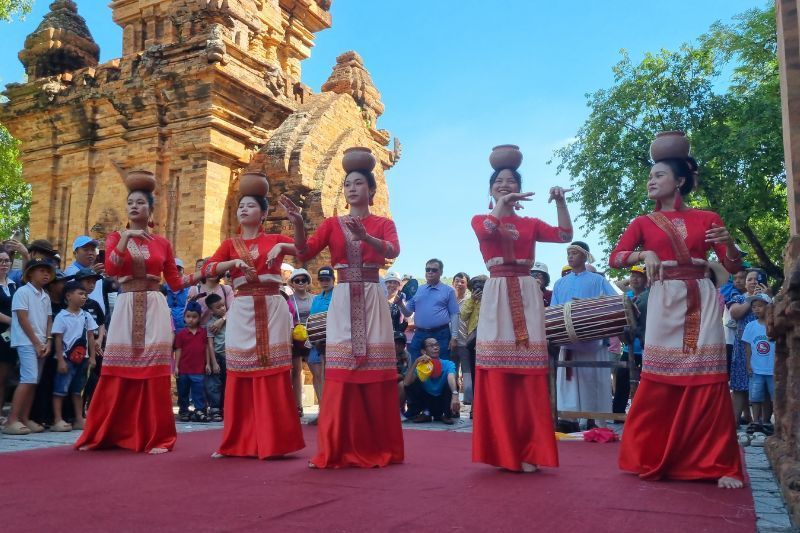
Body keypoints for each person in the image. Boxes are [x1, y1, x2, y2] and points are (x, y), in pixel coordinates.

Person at [610, 140, 745, 488]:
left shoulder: (707, 218)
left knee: (710, 378)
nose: (651, 181)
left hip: (701, 295)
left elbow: (732, 265)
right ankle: (653, 454)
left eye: (659, 175)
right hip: (664, 298)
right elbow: (616, 257)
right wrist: (643, 256)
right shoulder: (643, 221)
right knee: (659, 378)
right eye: (650, 176)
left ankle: (719, 463)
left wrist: (729, 244)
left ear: (680, 181)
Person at [285, 147, 403, 469]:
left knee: (373, 370)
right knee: (341, 369)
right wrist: (297, 223)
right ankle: (336, 447)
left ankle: (377, 446)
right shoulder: (332, 224)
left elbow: (393, 250)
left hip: (371, 294)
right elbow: (304, 253)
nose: (352, 188)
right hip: (342, 295)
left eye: (359, 183)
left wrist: (368, 238)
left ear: (371, 189)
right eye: (348, 183)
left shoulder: (382, 222)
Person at [471, 152, 573, 472]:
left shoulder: (529, 224)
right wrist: (503, 204)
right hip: (498, 291)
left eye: (511, 181)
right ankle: (503, 450)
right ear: (490, 191)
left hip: (527, 292)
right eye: (498, 182)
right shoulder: (479, 218)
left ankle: (530, 449)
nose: (505, 185)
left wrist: (559, 201)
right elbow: (488, 230)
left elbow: (565, 236)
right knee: (499, 372)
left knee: (529, 373)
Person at [75, 174, 191, 454]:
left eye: (140, 202)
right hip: (126, 304)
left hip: (154, 304)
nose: (134, 206)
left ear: (151, 210)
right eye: (130, 203)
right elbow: (113, 270)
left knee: (154, 372)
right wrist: (126, 236)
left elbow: (175, 283)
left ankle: (158, 437)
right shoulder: (116, 237)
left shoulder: (162, 243)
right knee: (116, 370)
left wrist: (212, 271)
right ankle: (106, 432)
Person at [202, 185, 304, 460]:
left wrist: (293, 230)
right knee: (239, 372)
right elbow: (207, 270)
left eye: (250, 205)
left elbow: (305, 252)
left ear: (264, 213)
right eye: (240, 206)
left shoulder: (275, 240)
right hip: (243, 307)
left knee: (274, 370)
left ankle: (276, 440)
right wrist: (232, 262)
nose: (244, 209)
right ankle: (238, 440)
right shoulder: (228, 245)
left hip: (272, 306)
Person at [552, 241, 617, 428]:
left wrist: (588, 310)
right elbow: (554, 310)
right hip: (568, 340)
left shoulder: (598, 280)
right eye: (568, 254)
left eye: (574, 253)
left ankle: (594, 421)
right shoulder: (560, 283)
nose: (570, 257)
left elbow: (612, 303)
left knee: (594, 380)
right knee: (568, 383)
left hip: (593, 339)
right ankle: (568, 419)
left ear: (584, 256)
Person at [3, 259, 54, 435]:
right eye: (41, 270)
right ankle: (12, 420)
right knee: (28, 378)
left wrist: (47, 341)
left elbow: (49, 319)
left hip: (41, 342)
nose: (46, 274)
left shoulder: (45, 295)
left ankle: (24, 418)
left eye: (48, 271)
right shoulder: (22, 292)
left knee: (34, 381)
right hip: (26, 341)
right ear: (30, 273)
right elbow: (23, 319)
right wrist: (37, 342)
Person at [50, 281, 98, 432]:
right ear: (68, 296)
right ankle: (57, 419)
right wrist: (60, 360)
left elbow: (91, 336)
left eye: (85, 295)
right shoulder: (61, 316)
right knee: (60, 389)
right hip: (66, 359)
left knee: (78, 390)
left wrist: (92, 357)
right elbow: (58, 338)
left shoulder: (86, 316)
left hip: (83, 359)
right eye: (81, 294)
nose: (84, 297)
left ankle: (78, 418)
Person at [395, 259, 460, 363]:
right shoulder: (418, 290)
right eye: (427, 269)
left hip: (441, 334)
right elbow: (408, 313)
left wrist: (454, 337)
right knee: (416, 363)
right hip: (420, 333)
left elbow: (454, 314)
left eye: (434, 270)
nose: (430, 272)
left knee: (441, 364)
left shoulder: (449, 291)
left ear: (441, 272)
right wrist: (400, 304)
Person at [728, 270, 767, 426]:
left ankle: (763, 422)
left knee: (763, 385)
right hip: (743, 347)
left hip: (763, 348)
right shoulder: (738, 297)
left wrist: (766, 297)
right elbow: (735, 314)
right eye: (749, 279)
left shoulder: (768, 298)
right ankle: (735, 421)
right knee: (739, 386)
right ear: (745, 283)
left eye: (756, 279)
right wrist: (751, 298)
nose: (752, 282)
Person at [612, 265, 649, 414]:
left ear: (646, 279)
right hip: (628, 347)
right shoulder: (626, 295)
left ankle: (642, 415)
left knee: (645, 385)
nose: (634, 279)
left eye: (639, 276)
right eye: (632, 275)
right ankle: (617, 415)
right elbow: (619, 283)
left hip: (646, 348)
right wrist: (634, 277)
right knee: (622, 381)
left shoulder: (650, 295)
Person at [403, 337, 459, 425]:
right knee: (413, 384)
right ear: (423, 351)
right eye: (431, 346)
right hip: (427, 402)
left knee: (452, 384)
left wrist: (455, 394)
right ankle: (425, 414)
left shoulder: (448, 363)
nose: (435, 347)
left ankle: (446, 414)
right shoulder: (419, 366)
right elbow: (406, 383)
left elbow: (451, 377)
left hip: (442, 400)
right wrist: (415, 363)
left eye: (437, 345)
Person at [742, 293, 774, 433]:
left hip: (772, 369)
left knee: (773, 397)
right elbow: (748, 347)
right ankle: (756, 421)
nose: (756, 309)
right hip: (756, 369)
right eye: (754, 307)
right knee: (755, 396)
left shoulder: (774, 325)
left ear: (769, 307)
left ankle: (767, 421)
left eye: (760, 306)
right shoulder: (750, 326)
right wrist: (748, 364)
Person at [306, 266, 335, 421]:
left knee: (327, 376)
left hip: (331, 342)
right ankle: (322, 410)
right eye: (322, 280)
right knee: (317, 376)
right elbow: (313, 318)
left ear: (333, 280)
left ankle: (329, 413)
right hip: (315, 342)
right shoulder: (316, 298)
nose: (324, 282)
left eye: (327, 279)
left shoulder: (337, 295)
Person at [174, 302, 210, 423]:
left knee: (198, 391)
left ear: (199, 317)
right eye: (188, 316)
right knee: (183, 391)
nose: (191, 320)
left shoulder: (203, 333)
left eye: (194, 317)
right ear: (184, 317)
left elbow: (206, 349)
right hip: (184, 369)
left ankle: (200, 410)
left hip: (198, 369)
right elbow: (178, 350)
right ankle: (184, 411)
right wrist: (176, 366)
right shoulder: (181, 334)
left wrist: (208, 363)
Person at [287, 268, 313, 416]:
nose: (301, 283)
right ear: (293, 283)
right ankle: (298, 405)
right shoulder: (289, 301)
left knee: (317, 371)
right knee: (296, 372)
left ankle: (324, 402)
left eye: (304, 280)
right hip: (296, 339)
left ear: (308, 282)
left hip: (311, 338)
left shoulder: (314, 298)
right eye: (297, 280)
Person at [459, 275, 486, 408]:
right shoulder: (470, 301)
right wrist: (473, 300)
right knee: (475, 375)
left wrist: (484, 300)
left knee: (485, 376)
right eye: (475, 284)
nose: (478, 286)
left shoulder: (492, 300)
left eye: (481, 283)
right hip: (473, 343)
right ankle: (475, 408)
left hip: (488, 343)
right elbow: (463, 316)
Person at [65, 236, 106, 314]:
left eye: (93, 250)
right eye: (85, 249)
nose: (90, 253)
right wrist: (89, 273)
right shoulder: (71, 272)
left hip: (98, 320)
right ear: (75, 253)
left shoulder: (97, 273)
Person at [0, 247, 18, 421]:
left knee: (4, 377)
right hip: (3, 330)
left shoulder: (12, 283)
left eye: (6, 261)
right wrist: (13, 321)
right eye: (0, 261)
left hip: (10, 336)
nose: (4, 264)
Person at [204, 293, 227, 422]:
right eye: (218, 307)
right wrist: (213, 362)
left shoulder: (229, 319)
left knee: (227, 383)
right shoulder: (210, 325)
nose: (223, 308)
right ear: (211, 310)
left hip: (230, 355)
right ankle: (215, 409)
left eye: (223, 305)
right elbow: (210, 344)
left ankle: (225, 408)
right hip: (218, 357)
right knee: (215, 383)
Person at [164, 258, 190, 332]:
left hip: (186, 327)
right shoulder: (165, 288)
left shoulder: (190, 287)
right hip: (169, 327)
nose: (176, 271)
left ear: (183, 270)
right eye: (173, 269)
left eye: (179, 269)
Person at [395, 331, 410, 413]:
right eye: (396, 343)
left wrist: (400, 376)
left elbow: (408, 372)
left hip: (400, 379)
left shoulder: (407, 355)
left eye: (400, 344)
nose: (397, 346)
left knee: (403, 384)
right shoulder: (386, 353)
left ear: (404, 346)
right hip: (386, 379)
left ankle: (399, 409)